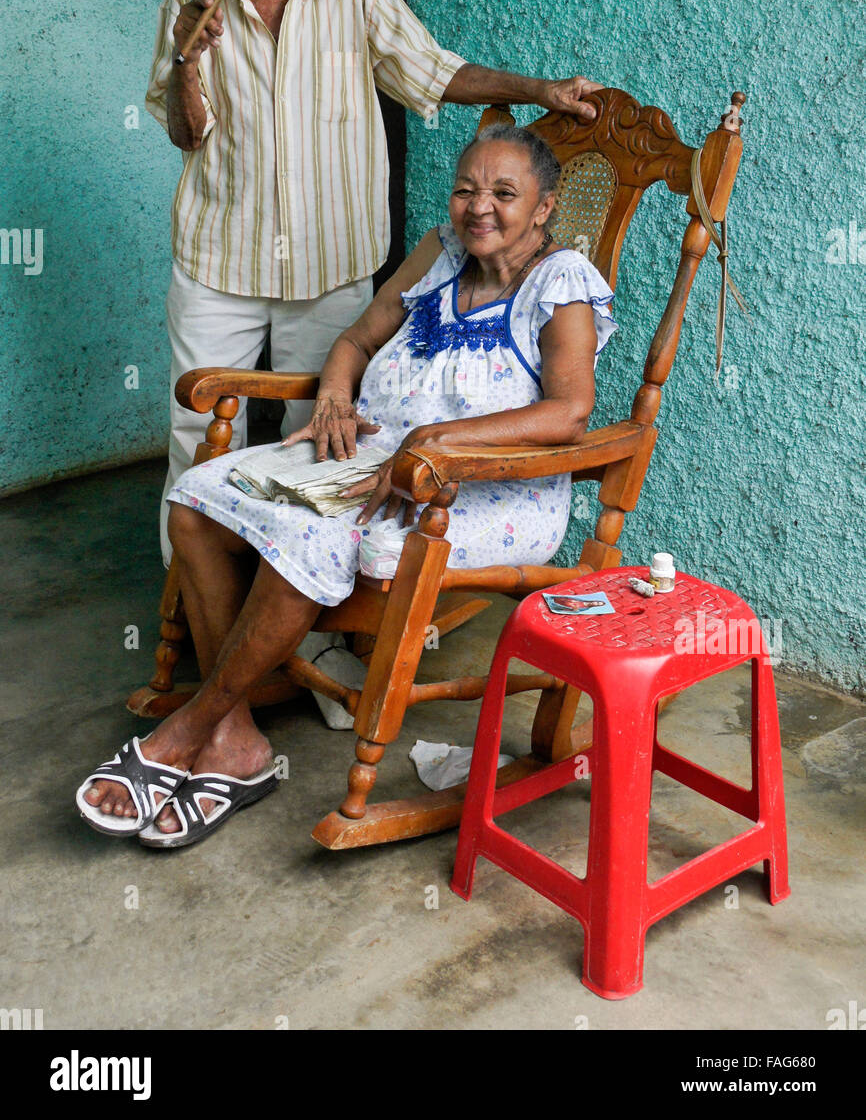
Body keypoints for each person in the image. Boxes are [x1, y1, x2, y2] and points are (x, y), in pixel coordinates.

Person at [76, 125, 616, 848]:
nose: (478, 206)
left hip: (483, 490)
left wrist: (437, 442)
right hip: (377, 458)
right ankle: (235, 735)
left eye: (503, 193)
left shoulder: (560, 282)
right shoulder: (439, 255)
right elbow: (357, 340)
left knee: (312, 532)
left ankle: (194, 725)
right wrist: (334, 393)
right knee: (199, 495)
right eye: (466, 189)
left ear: (545, 208)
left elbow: (569, 411)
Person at [145, 0, 605, 564]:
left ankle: (294, 608)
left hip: (330, 265)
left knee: (320, 443)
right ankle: (199, 617)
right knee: (193, 439)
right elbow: (185, 133)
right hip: (218, 262)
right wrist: (188, 61)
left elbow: (434, 70)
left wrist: (539, 89)